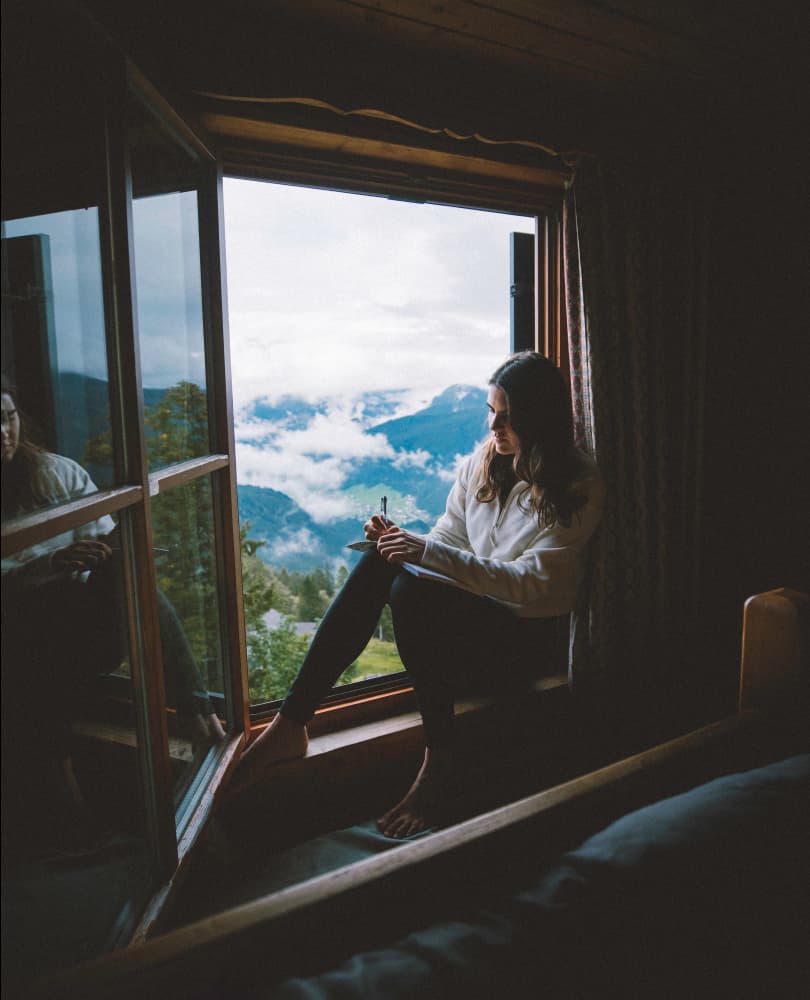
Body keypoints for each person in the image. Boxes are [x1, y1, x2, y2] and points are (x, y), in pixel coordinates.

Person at [241, 352, 604, 837]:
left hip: (523, 646)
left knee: (411, 590)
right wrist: (405, 544)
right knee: (380, 562)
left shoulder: (577, 484)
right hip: (474, 626)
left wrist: (427, 554)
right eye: (490, 410)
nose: (494, 425)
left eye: (508, 415)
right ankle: (291, 721)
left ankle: (440, 758)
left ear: (539, 417)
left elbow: (531, 589)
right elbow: (449, 543)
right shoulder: (484, 463)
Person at [1, 378, 224, 842]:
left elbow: (110, 544)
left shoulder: (55, 475)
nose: (4, 432)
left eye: (9, 418)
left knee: (124, 569)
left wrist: (96, 555)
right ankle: (71, 810)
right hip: (18, 636)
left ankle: (193, 705)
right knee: (32, 668)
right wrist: (46, 567)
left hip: (79, 629)